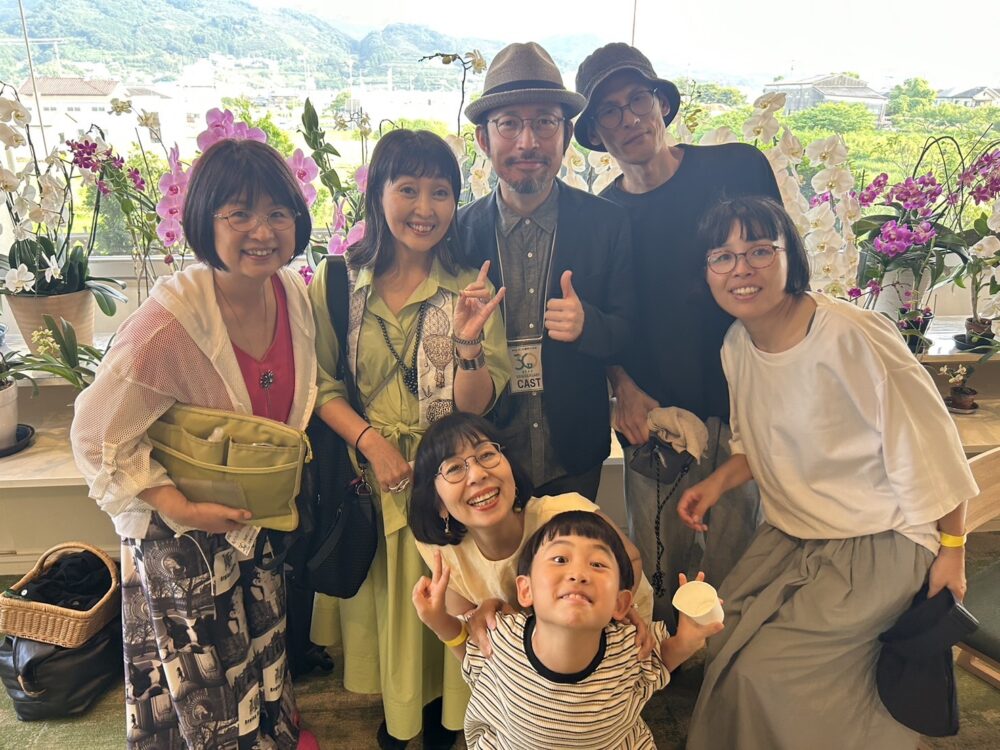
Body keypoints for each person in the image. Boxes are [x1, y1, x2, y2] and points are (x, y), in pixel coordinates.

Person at [678, 196, 977, 749]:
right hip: (795, 535)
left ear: (791, 256)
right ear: (707, 272)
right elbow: (760, 443)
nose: (741, 269)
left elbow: (935, 453)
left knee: (762, 675)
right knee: (723, 634)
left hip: (881, 541)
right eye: (722, 256)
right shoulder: (737, 344)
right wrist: (714, 484)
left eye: (760, 251)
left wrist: (953, 553)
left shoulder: (851, 334)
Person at [71, 138, 320, 749]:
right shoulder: (168, 325)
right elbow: (94, 433)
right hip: (179, 530)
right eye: (239, 214)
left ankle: (269, 737)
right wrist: (180, 506)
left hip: (250, 513)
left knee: (261, 641)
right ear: (206, 221)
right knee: (207, 671)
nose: (262, 231)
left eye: (278, 213)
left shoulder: (289, 292)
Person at [307, 129, 510, 750]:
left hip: (450, 486)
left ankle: (447, 725)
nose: (425, 208)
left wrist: (468, 344)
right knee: (392, 609)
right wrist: (373, 443)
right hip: (371, 483)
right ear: (378, 193)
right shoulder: (339, 281)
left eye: (441, 192)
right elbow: (320, 384)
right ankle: (399, 723)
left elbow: (479, 405)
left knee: (451, 599)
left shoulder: (470, 285)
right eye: (408, 189)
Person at [574, 43, 783, 623]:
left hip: (745, 405)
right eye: (609, 110)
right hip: (656, 418)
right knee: (658, 563)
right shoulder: (602, 216)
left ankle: (729, 667)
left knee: (739, 563)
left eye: (637, 99)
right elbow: (602, 318)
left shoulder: (738, 168)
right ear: (595, 132)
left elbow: (780, 268)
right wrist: (621, 387)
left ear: (661, 104)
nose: (628, 118)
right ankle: (660, 665)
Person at [456, 42, 635, 500]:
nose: (528, 142)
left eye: (544, 122)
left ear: (566, 134)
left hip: (573, 453)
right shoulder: (458, 233)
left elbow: (629, 330)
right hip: (485, 454)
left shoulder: (607, 223)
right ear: (483, 139)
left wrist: (588, 325)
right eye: (509, 123)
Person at [412, 511, 722, 749]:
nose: (578, 573)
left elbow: (658, 662)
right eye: (560, 559)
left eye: (598, 564)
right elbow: (471, 650)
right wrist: (437, 619)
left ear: (621, 603)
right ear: (526, 590)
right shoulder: (503, 637)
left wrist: (687, 639)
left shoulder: (630, 645)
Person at [408, 411, 654, 642]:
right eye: (453, 468)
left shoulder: (566, 515)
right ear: (438, 502)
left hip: (615, 638)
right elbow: (476, 659)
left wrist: (614, 606)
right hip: (529, 660)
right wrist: (442, 624)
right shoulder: (447, 556)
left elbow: (630, 559)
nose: (477, 475)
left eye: (486, 455)